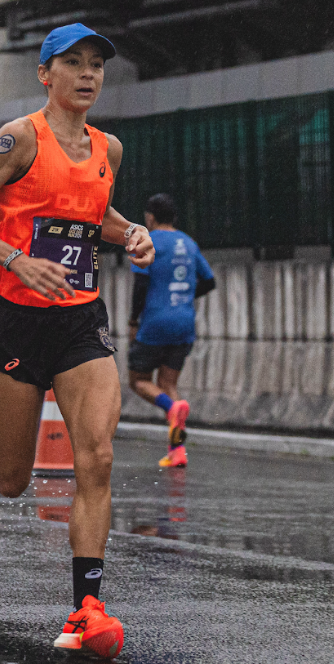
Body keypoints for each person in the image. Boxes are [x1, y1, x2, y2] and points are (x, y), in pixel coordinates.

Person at [0, 23, 154, 659]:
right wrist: (17, 259)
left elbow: (97, 217)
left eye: (97, 65)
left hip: (81, 320)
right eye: (74, 64)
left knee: (97, 456)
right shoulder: (17, 140)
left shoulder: (108, 148)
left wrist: (133, 233)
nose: (88, 75)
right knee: (11, 479)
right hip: (17, 318)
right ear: (45, 74)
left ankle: (87, 606)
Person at [127, 193, 215, 468]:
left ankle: (170, 407)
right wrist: (185, 295)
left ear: (150, 217)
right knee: (169, 384)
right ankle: (177, 452)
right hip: (184, 324)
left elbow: (140, 286)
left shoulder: (149, 241)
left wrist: (133, 322)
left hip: (155, 323)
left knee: (138, 380)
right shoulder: (188, 243)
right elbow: (209, 281)